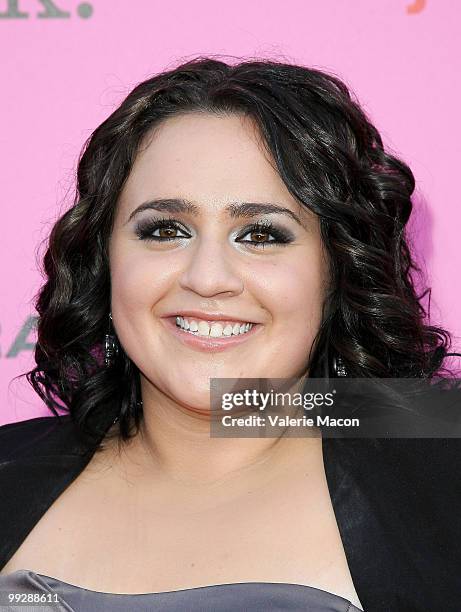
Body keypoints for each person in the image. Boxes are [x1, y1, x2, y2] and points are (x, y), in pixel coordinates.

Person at [0, 55, 460, 612]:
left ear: (336, 269)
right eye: (165, 230)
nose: (207, 278)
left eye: (261, 235)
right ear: (105, 262)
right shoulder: (9, 467)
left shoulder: (442, 483)